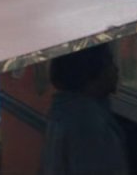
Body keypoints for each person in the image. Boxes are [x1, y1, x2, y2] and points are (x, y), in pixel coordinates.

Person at [40, 43, 129, 175]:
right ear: (90, 75)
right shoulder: (87, 124)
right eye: (109, 62)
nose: (116, 69)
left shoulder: (64, 109)